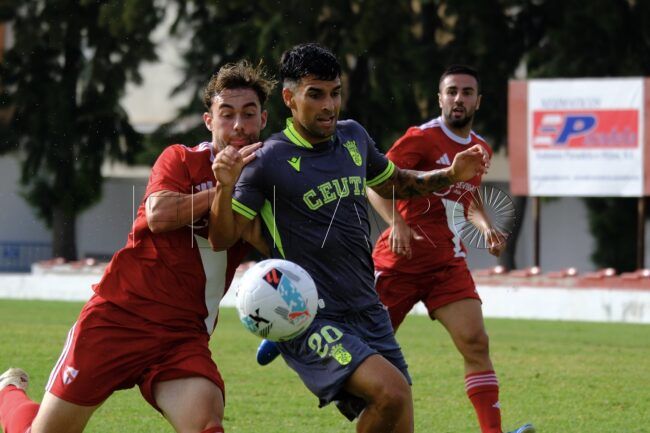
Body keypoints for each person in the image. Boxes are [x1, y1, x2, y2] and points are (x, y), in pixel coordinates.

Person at [209, 43, 488, 433]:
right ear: (289, 98)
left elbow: (396, 183)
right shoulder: (267, 161)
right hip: (312, 316)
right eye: (315, 94)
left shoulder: (353, 137)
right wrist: (225, 188)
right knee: (390, 394)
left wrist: (451, 176)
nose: (329, 106)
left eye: (335, 93)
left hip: (368, 307)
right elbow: (221, 239)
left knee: (399, 418)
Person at [0, 60, 274, 433]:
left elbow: (276, 246)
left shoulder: (267, 180)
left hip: (182, 336)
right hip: (118, 317)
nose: (238, 125)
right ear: (209, 121)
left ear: (263, 119)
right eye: (227, 114)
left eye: (248, 113)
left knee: (206, 426)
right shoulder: (180, 158)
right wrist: (222, 188)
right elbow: (158, 214)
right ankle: (9, 392)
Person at [368, 65, 534, 433]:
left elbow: (468, 200)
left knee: (475, 342)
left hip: (447, 264)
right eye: (452, 91)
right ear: (440, 98)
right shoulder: (420, 139)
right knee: (367, 351)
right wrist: (397, 222)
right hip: (398, 263)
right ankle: (294, 337)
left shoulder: (480, 150)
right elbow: (375, 185)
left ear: (478, 101)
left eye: (467, 92)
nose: (459, 98)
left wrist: (487, 229)